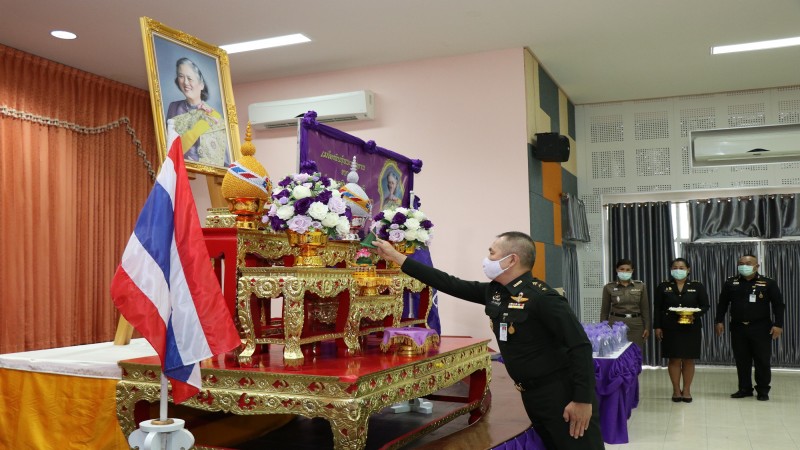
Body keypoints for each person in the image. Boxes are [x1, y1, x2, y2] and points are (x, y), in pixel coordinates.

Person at [374, 232, 604, 449]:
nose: (487, 258)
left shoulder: (543, 298)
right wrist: (398, 258)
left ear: (511, 259)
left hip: (561, 395)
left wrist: (582, 401)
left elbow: (580, 347)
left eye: (492, 253)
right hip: (531, 395)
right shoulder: (497, 293)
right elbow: (448, 283)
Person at [715, 254, 784, 401]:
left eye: (747, 263)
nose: (743, 266)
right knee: (742, 359)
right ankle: (745, 388)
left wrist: (778, 324)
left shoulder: (767, 283)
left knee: (762, 360)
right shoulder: (730, 282)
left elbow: (778, 305)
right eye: (741, 263)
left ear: (756, 266)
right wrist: (718, 321)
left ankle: (763, 390)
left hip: (761, 327)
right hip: (738, 327)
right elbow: (722, 303)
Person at [653, 258, 709, 403]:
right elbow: (657, 308)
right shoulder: (663, 286)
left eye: (681, 267)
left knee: (689, 359)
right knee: (674, 359)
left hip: (691, 326)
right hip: (670, 327)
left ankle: (687, 390)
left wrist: (692, 313)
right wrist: (657, 326)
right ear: (671, 269)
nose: (678, 269)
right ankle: (676, 390)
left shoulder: (697, 286)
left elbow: (705, 305)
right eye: (675, 267)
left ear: (688, 269)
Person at [165, 57, 229, 167]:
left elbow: (223, 158)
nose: (185, 82)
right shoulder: (173, 107)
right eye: (181, 76)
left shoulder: (214, 116)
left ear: (201, 84)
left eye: (189, 78)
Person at [600, 259, 651, 349]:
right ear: (617, 270)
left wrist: (647, 327)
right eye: (622, 269)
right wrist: (603, 328)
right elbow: (604, 310)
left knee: (635, 353)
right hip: (615, 324)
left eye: (628, 270)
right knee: (616, 353)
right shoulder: (609, 287)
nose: (625, 272)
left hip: (636, 325)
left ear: (632, 271)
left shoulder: (640, 286)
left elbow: (645, 309)